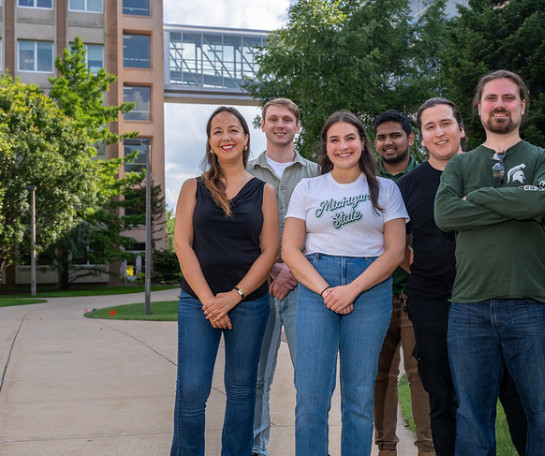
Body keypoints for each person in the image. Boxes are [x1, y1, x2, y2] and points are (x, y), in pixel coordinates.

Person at [434, 70, 545, 456]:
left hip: (530, 304)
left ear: (522, 106)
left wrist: (476, 198)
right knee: (472, 418)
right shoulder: (458, 166)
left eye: (508, 98)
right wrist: (516, 204)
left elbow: (539, 202)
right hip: (468, 308)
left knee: (544, 413)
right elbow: (445, 216)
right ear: (479, 108)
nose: (499, 105)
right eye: (491, 98)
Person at [398, 97, 528, 456]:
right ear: (420, 138)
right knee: (444, 399)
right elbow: (397, 248)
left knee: (515, 395)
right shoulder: (407, 186)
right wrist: (427, 269)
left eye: (446, 123)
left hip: (495, 297)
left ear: (462, 128)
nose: (439, 132)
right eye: (430, 127)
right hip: (434, 303)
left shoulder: (493, 170)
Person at [283, 111, 408, 456]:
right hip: (315, 286)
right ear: (325, 146)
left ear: (363, 142)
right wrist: (325, 290)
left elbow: (395, 250)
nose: (343, 146)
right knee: (310, 396)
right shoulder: (307, 188)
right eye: (334, 139)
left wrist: (352, 289)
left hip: (369, 289)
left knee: (358, 397)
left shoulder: (386, 189)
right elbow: (290, 249)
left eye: (350, 138)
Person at [171, 106, 280, 456]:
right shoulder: (192, 188)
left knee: (242, 389)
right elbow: (182, 245)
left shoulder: (265, 192)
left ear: (246, 139)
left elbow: (269, 252)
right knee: (191, 389)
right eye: (217, 131)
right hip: (197, 302)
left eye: (233, 130)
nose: (225, 137)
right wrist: (210, 301)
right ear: (210, 142)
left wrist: (233, 296)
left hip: (249, 303)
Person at [247, 98, 319, 456]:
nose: (280, 124)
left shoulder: (318, 172)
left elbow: (324, 230)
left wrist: (290, 268)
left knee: (309, 377)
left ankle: (310, 448)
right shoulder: (243, 172)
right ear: (262, 125)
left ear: (297, 126)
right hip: (257, 288)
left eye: (287, 119)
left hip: (304, 286)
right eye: (272, 119)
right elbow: (236, 234)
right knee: (256, 376)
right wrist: (270, 267)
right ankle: (257, 448)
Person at [372, 109, 432, 456]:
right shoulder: (365, 179)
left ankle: (427, 448)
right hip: (375, 294)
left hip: (415, 293)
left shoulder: (425, 176)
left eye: (395, 135)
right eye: (381, 137)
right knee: (380, 378)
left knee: (420, 375)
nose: (388, 142)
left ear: (410, 139)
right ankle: (386, 449)